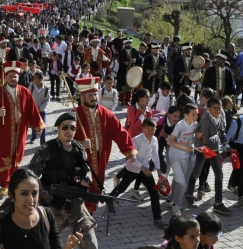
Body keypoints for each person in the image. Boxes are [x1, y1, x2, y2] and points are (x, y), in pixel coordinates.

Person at [25, 112, 99, 248]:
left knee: (91, 244)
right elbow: (30, 178)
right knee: (41, 244)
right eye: (65, 127)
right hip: (52, 208)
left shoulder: (79, 149)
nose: (69, 131)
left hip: (75, 206)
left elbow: (86, 169)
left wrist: (87, 178)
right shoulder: (46, 150)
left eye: (72, 128)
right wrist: (49, 198)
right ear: (57, 128)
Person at [72, 77, 136, 212]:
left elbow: (119, 132)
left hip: (101, 159)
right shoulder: (74, 115)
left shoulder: (106, 114)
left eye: (95, 94)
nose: (94, 97)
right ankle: (81, 215)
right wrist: (79, 144)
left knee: (96, 186)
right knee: (82, 188)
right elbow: (64, 140)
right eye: (90, 95)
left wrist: (129, 150)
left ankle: (90, 213)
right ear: (82, 96)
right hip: (81, 161)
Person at [0, 61, 46, 195]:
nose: (13, 79)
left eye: (15, 76)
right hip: (3, 132)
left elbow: (32, 110)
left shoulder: (24, 92)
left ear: (18, 77)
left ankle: (13, 183)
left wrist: (38, 125)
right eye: (10, 76)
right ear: (6, 77)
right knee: (3, 157)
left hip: (20, 131)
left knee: (16, 156)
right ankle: (4, 184)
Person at [0, 169, 83, 249]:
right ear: (11, 195)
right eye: (24, 193)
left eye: (34, 193)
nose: (31, 200)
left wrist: (68, 247)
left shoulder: (46, 215)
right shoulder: (1, 227)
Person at [109, 118, 168, 229]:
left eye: (153, 129)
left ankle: (157, 219)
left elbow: (155, 155)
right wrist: (142, 167)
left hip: (145, 169)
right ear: (143, 128)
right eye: (148, 128)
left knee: (154, 193)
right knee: (122, 187)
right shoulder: (136, 140)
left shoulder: (155, 140)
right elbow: (131, 157)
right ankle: (110, 199)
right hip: (132, 168)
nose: (151, 131)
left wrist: (159, 169)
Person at [185, 97, 231, 215]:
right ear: (208, 108)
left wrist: (226, 145)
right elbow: (204, 139)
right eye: (214, 108)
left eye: (219, 108)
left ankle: (218, 203)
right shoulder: (205, 120)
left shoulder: (220, 116)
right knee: (197, 172)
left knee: (219, 175)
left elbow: (222, 132)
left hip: (215, 150)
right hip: (203, 150)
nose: (217, 110)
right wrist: (216, 136)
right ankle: (189, 195)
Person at [166, 103, 199, 217]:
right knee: (182, 183)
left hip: (187, 157)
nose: (195, 117)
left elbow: (193, 138)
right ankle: (176, 206)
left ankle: (170, 199)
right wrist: (185, 148)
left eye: (197, 115)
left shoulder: (195, 125)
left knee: (179, 178)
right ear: (185, 115)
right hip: (174, 156)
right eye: (193, 115)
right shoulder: (180, 125)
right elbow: (170, 141)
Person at [116, 39, 144, 106]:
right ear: (125, 45)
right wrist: (130, 61)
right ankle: (122, 100)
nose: (128, 45)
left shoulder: (135, 51)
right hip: (123, 71)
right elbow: (121, 62)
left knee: (130, 86)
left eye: (129, 43)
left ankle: (127, 100)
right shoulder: (121, 52)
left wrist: (140, 63)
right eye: (127, 44)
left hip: (132, 72)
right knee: (122, 86)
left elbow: (140, 59)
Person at [29, 71, 50, 144]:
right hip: (33, 109)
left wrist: (41, 108)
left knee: (42, 124)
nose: (33, 79)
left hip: (42, 110)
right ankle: (33, 136)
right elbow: (28, 97)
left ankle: (42, 140)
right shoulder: (31, 87)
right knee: (33, 123)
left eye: (35, 78)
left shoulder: (46, 89)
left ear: (40, 80)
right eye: (33, 78)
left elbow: (47, 100)